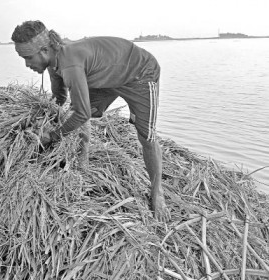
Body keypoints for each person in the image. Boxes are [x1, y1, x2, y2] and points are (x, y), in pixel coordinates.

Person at [11, 20, 170, 222]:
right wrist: (39, 120)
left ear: (44, 50)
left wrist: (51, 136)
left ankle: (157, 192)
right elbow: (59, 99)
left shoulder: (70, 65)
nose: (27, 64)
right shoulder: (53, 61)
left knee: (146, 135)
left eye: (27, 58)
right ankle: (83, 159)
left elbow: (80, 114)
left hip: (138, 74)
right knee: (84, 110)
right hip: (103, 78)